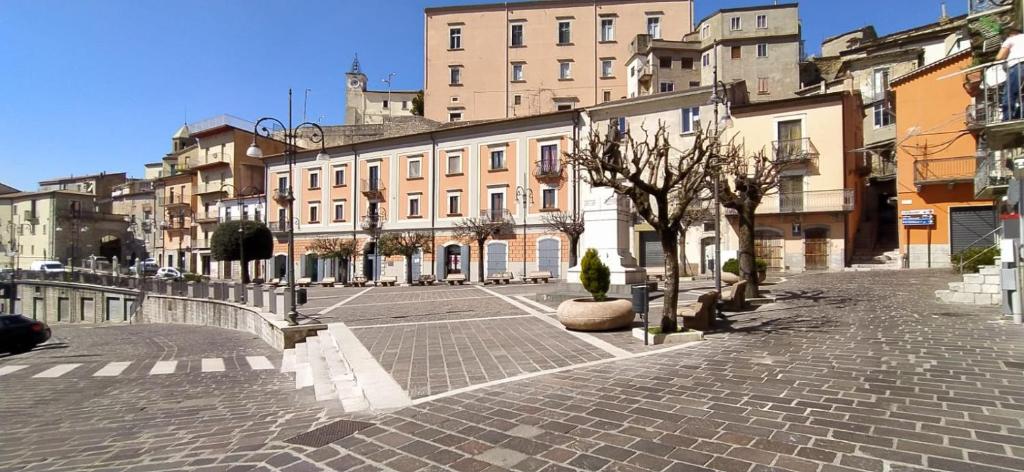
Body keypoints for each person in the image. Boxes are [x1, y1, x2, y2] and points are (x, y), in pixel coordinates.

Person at [997, 27, 1024, 120]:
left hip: (1017, 66)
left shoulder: (1010, 39)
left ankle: (1007, 118)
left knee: (1009, 93)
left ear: (1010, 34)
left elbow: (1000, 56)